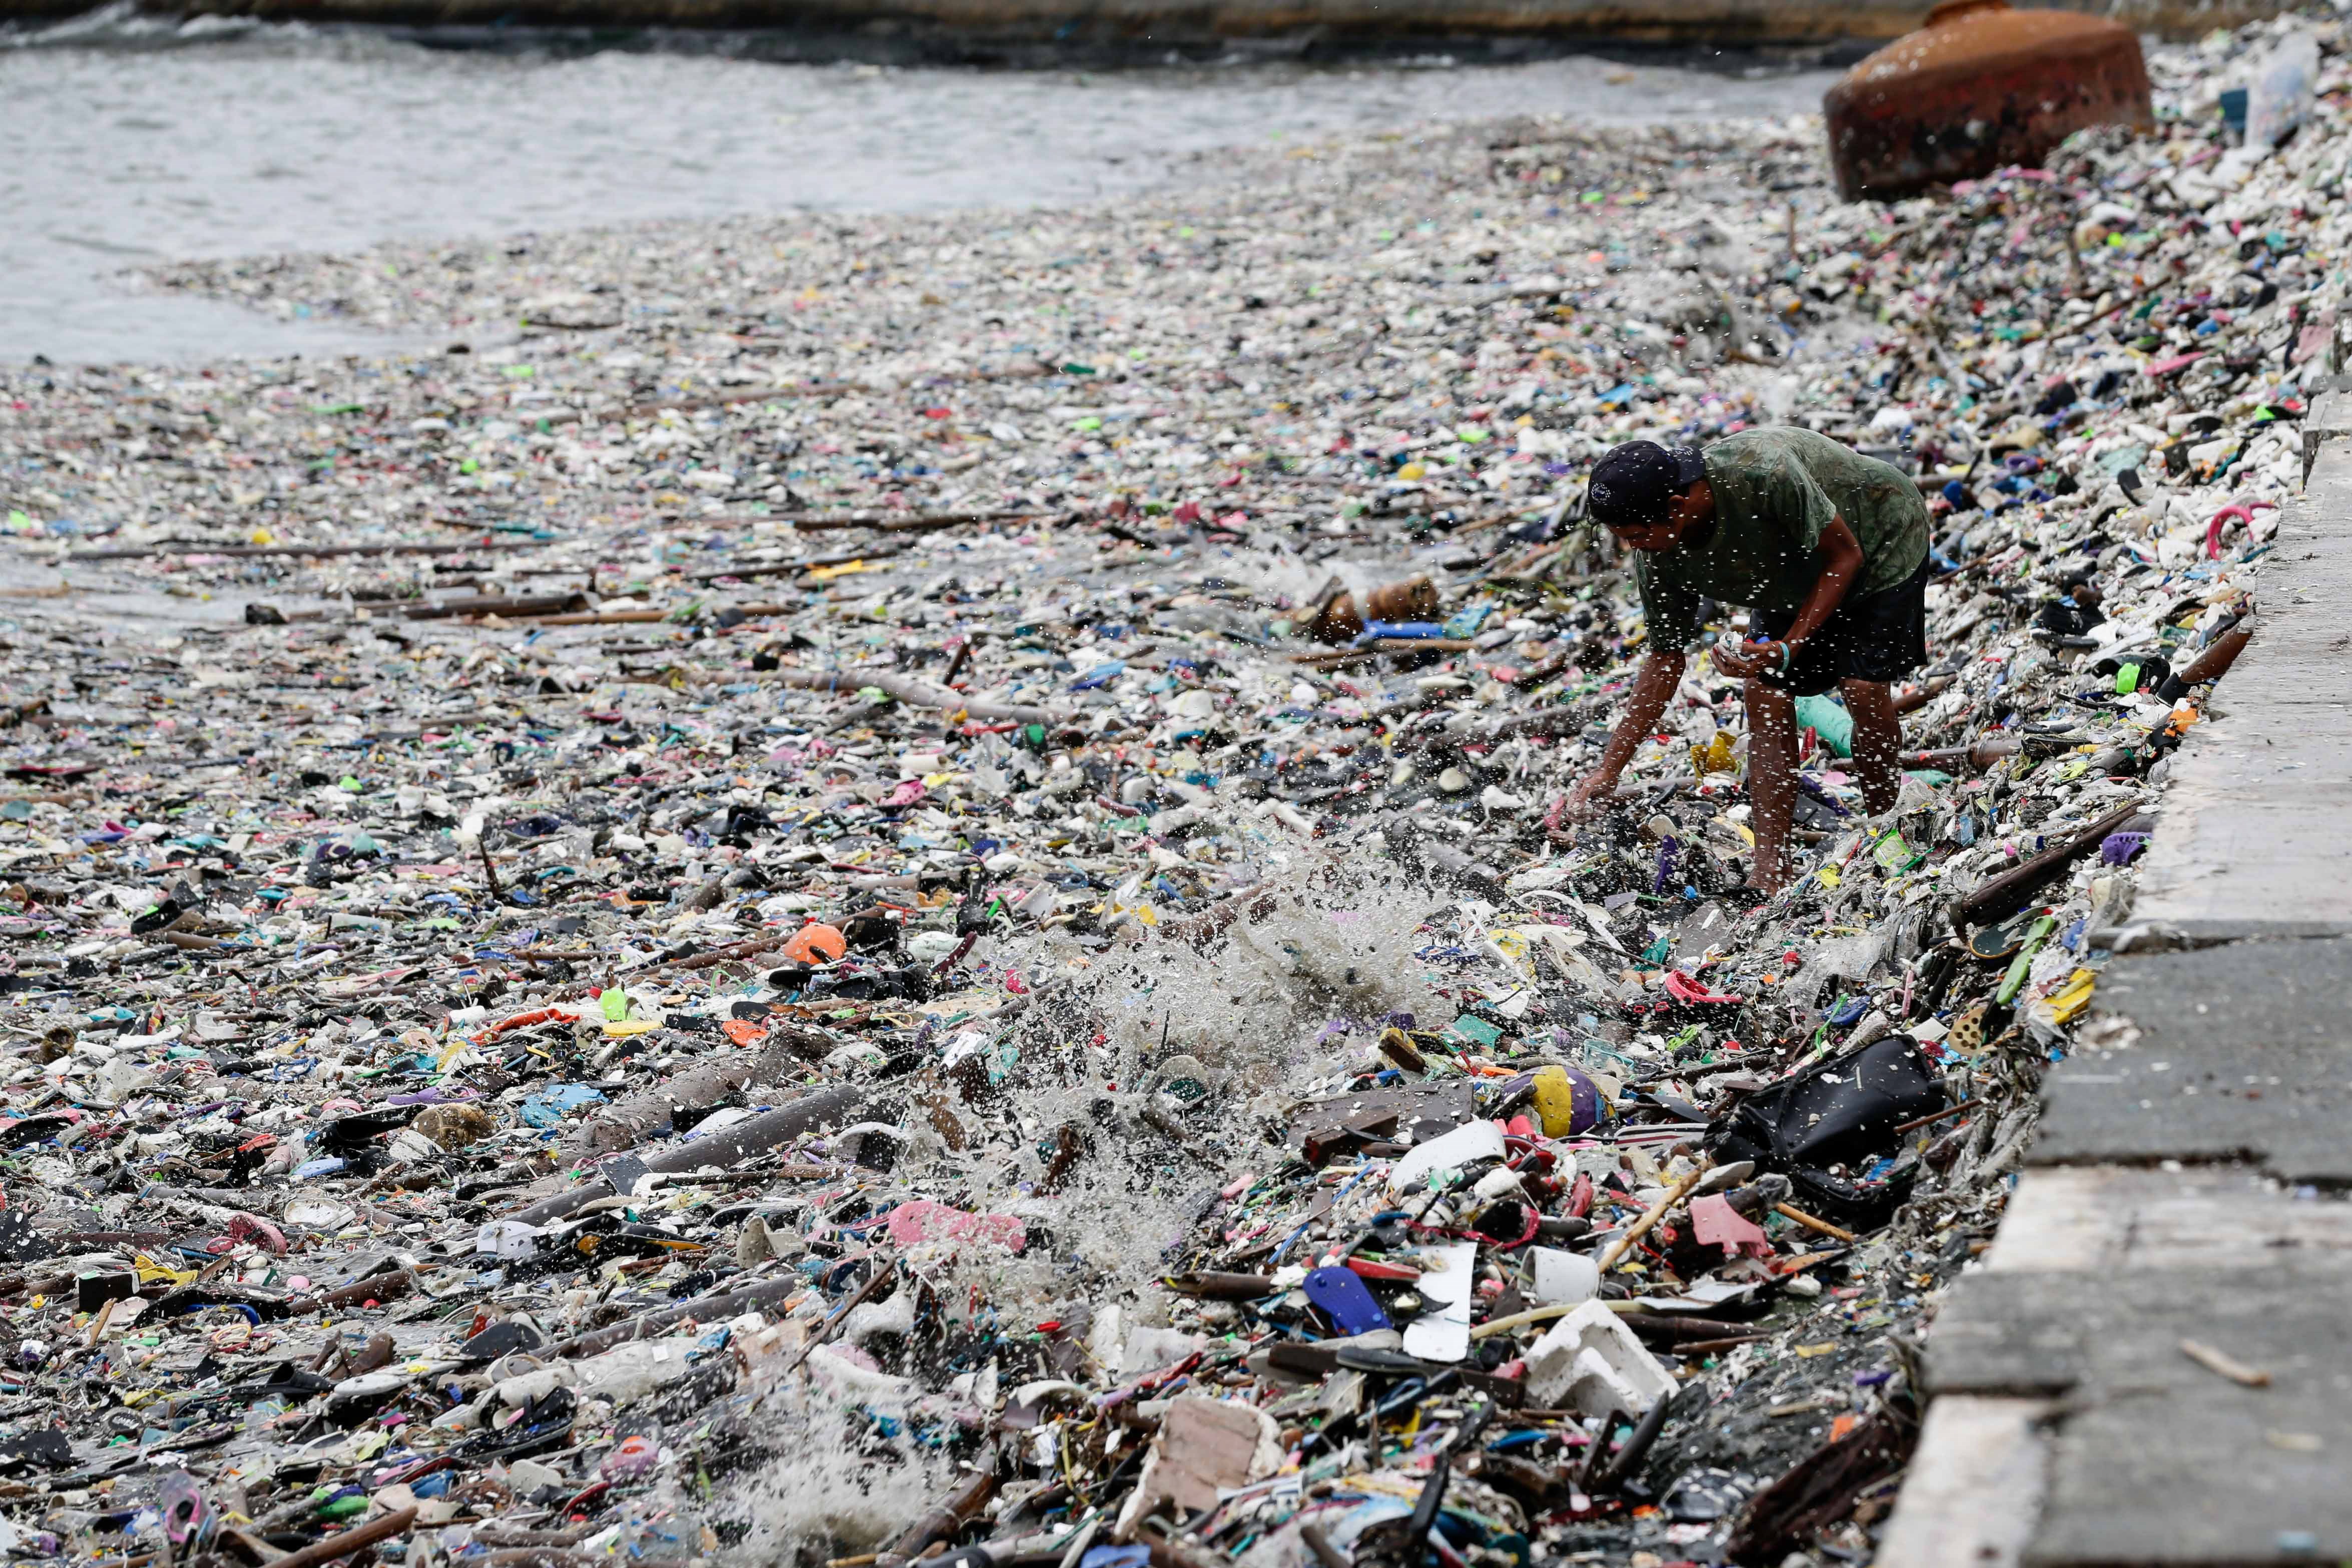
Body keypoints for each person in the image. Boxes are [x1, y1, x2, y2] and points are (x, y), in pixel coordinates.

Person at [1561, 428, 1931, 892]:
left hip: (1878, 537)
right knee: (1763, 690)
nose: (1633, 548)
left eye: (1636, 536)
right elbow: (1664, 658)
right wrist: (1608, 770)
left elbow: (1844, 555)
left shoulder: (1762, 472)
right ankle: (1770, 869)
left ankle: (1885, 830)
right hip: (1787, 571)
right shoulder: (1658, 554)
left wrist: (1789, 645)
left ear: (1675, 508)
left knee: (1861, 686)